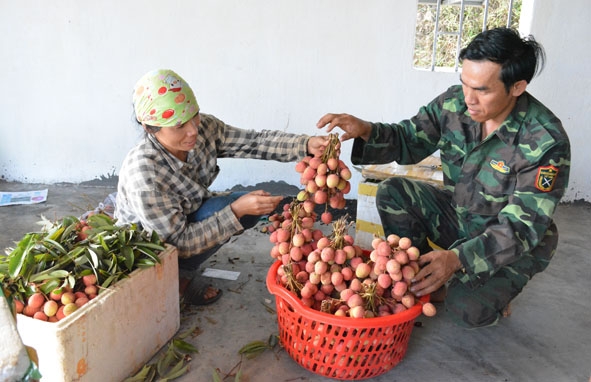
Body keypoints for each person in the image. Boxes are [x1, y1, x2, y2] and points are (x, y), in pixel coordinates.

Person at [317, 27, 571, 328]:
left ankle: (491, 286)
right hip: (461, 213)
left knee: (467, 310)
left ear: (517, 87)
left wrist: (458, 258)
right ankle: (430, 277)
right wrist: (367, 130)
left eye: (482, 90)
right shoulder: (455, 105)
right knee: (393, 192)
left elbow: (522, 227)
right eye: (464, 84)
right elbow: (408, 138)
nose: (469, 99)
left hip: (510, 238)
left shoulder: (545, 140)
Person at [115, 69, 328, 305]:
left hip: (186, 215)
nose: (193, 130)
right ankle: (178, 280)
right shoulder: (144, 174)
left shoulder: (203, 129)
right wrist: (236, 211)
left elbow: (254, 142)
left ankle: (183, 271)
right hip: (151, 247)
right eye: (178, 126)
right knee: (237, 210)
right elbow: (177, 242)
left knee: (241, 210)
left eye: (194, 115)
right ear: (149, 128)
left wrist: (305, 144)